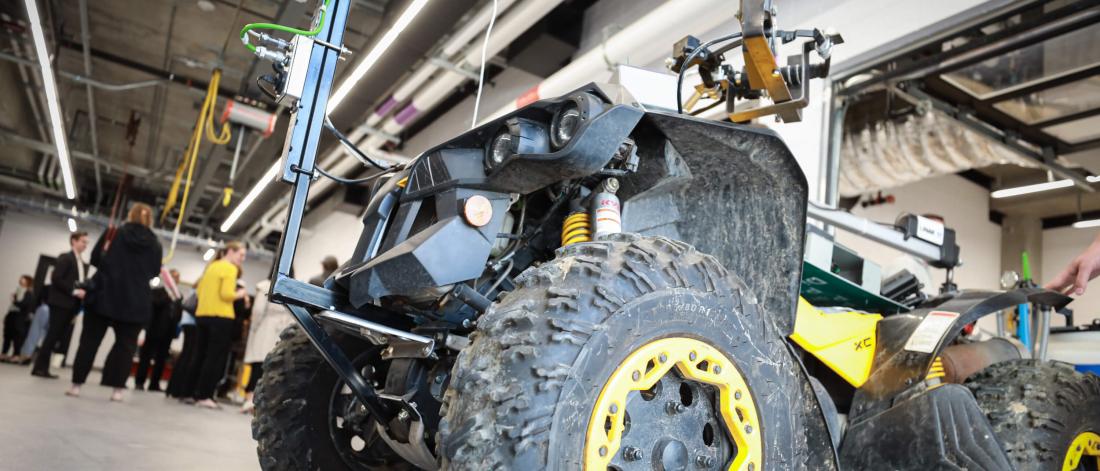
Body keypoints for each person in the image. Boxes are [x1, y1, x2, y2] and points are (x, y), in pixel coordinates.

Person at [68, 203, 162, 402]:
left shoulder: (113, 233)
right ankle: (117, 390)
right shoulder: (155, 244)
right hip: (135, 302)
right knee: (126, 348)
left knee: (89, 343)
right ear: (150, 219)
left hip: (104, 295)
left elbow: (95, 259)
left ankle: (76, 386)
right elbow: (154, 272)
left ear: (130, 215)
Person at [191, 241, 248, 409]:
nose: (242, 259)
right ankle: (205, 396)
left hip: (202, 315)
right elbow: (226, 295)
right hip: (221, 317)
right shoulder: (230, 269)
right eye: (241, 255)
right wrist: (241, 293)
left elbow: (200, 291)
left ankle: (193, 393)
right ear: (230, 251)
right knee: (214, 359)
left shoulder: (211, 266)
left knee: (200, 355)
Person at [31, 231, 89, 378]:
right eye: (83, 241)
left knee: (55, 336)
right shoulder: (66, 257)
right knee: (52, 335)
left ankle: (43, 367)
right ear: (74, 241)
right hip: (61, 303)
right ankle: (39, 368)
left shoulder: (79, 261)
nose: (85, 244)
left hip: (70, 305)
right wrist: (74, 291)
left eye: (86, 242)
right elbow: (56, 278)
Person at [240, 277, 295, 413]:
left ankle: (250, 398)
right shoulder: (292, 286)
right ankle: (265, 402)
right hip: (282, 328)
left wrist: (254, 328)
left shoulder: (265, 285)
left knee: (258, 363)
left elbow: (258, 310)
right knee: (273, 366)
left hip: (266, 326)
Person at [134, 269, 182, 391]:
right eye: (173, 277)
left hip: (168, 333)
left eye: (177, 277)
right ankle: (140, 381)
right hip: (154, 330)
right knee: (146, 357)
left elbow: (178, 313)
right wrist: (168, 296)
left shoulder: (178, 296)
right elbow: (155, 305)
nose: (175, 279)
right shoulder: (157, 292)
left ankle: (154, 383)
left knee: (161, 359)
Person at [2, 275, 35, 362]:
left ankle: (16, 355)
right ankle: (4, 353)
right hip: (12, 315)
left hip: (19, 317)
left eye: (23, 279)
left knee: (17, 337)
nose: (21, 280)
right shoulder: (18, 290)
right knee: (7, 335)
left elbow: (23, 305)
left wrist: (15, 300)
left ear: (28, 281)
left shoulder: (28, 293)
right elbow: (12, 305)